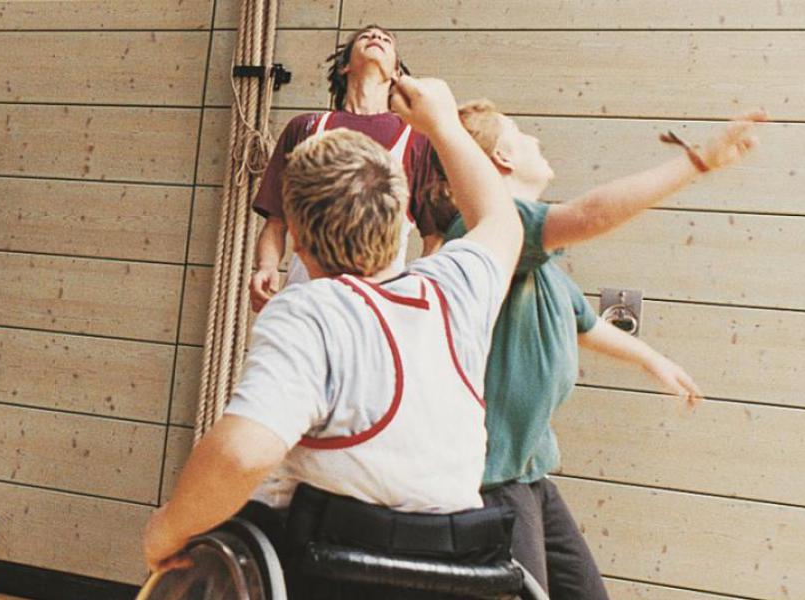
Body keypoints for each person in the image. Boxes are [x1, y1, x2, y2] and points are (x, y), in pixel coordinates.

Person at [143, 75, 523, 599]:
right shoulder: (453, 293)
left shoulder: (311, 310)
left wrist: (167, 530)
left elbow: (240, 455)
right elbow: (501, 219)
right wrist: (442, 124)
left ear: (295, 237)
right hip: (459, 573)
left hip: (326, 572)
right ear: (399, 219)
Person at [436, 99, 764, 598]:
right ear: (502, 154)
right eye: (523, 134)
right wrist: (698, 161)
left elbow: (581, 323)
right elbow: (590, 214)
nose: (537, 142)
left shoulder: (535, 258)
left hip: (531, 474)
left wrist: (655, 360)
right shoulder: (489, 231)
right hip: (491, 483)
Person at [248, 24, 445, 312]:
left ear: (397, 75)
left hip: (376, 312)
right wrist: (266, 267)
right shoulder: (305, 128)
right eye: (365, 36)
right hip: (306, 304)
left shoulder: (417, 140)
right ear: (343, 67)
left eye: (386, 39)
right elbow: (276, 222)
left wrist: (416, 300)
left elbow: (434, 238)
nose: (376, 37)